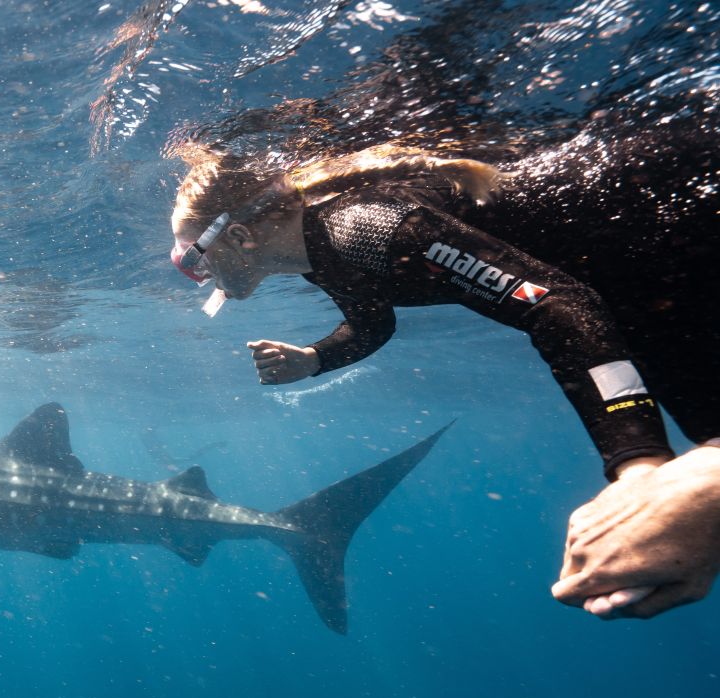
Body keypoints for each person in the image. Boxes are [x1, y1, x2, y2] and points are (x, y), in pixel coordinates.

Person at [168, 100, 720, 620]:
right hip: (644, 279)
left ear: (238, 236)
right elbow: (372, 321)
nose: (196, 275)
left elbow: (554, 308)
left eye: (192, 258)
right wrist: (314, 359)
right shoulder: (322, 250)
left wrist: (638, 468)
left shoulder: (366, 230)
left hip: (672, 216)